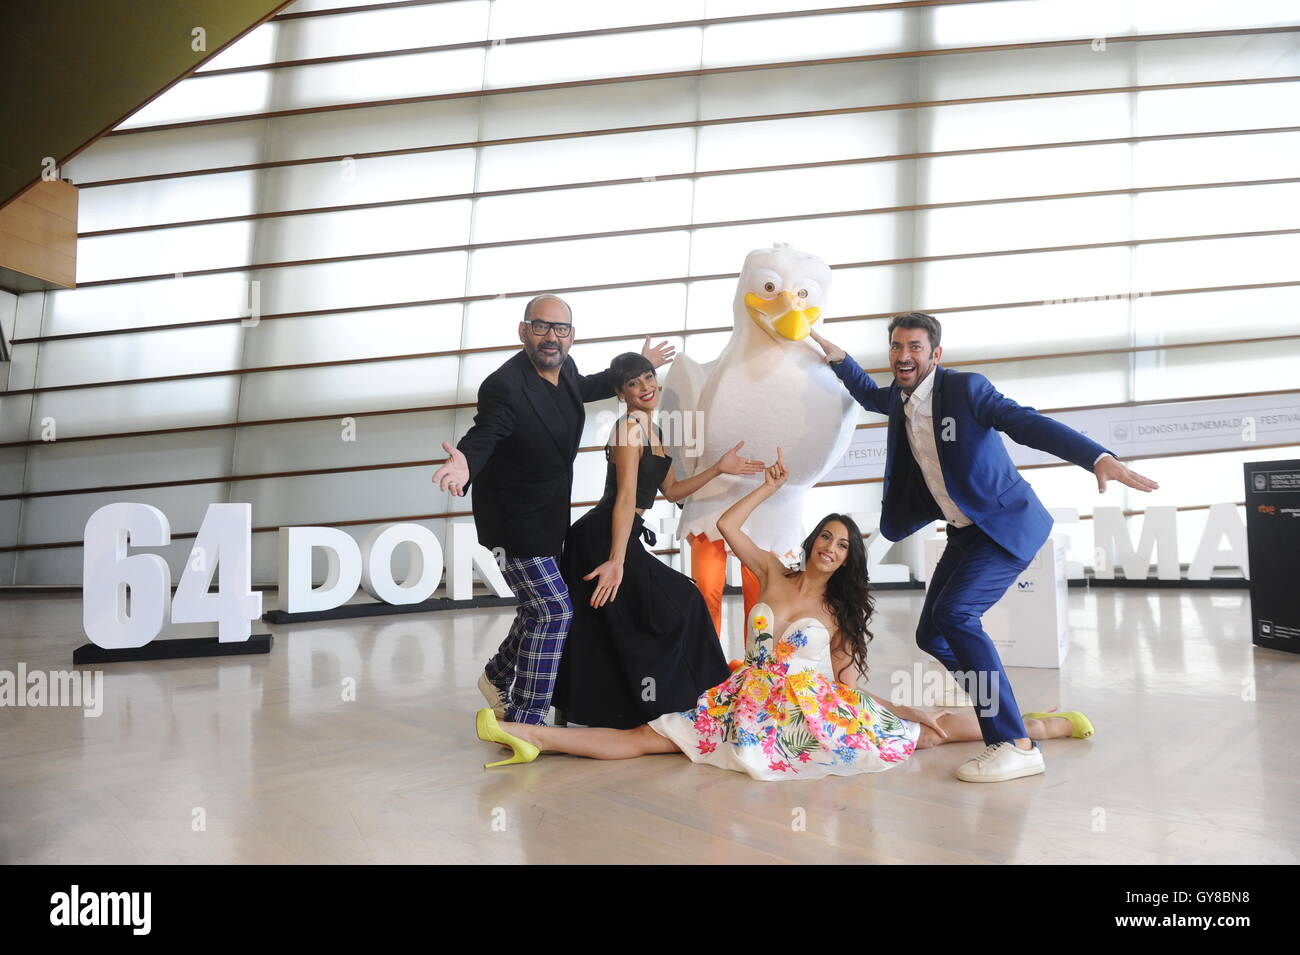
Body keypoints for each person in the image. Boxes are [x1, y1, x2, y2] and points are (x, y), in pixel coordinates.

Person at [474, 450, 1092, 776]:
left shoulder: (839, 611)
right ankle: (528, 736)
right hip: (747, 696)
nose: (830, 547)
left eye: (842, 546)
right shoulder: (774, 571)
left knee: (927, 727)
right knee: (653, 737)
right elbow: (724, 524)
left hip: (808, 711)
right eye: (826, 536)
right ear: (812, 541)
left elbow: (847, 687)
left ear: (849, 561)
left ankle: (1040, 727)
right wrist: (768, 486)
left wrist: (889, 709)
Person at [806, 312, 1156, 782]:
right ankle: (1000, 702)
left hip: (1006, 526)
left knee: (955, 617)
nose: (903, 356)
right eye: (895, 347)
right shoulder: (899, 395)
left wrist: (1097, 456)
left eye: (914, 347)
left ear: (935, 354)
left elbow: (1027, 424)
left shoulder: (966, 390)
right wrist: (841, 359)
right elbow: (870, 394)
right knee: (932, 634)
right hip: (965, 531)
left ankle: (1014, 743)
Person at [432, 294, 674, 727]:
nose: (551, 337)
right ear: (523, 330)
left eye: (560, 329)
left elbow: (589, 387)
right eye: (540, 326)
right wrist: (466, 462)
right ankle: (526, 721)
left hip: (550, 514)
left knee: (536, 607)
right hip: (514, 523)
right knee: (555, 611)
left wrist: (636, 366)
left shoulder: (567, 369)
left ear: (571, 336)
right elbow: (487, 432)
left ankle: (495, 676)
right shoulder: (504, 386)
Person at [553, 351, 766, 730]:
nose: (645, 387)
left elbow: (671, 490)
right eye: (633, 383)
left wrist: (719, 469)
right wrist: (616, 560)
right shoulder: (628, 430)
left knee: (672, 608)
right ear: (621, 393)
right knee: (671, 607)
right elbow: (624, 498)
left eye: (648, 377)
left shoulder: (654, 430)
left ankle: (689, 701)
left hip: (620, 534)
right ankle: (671, 704)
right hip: (604, 535)